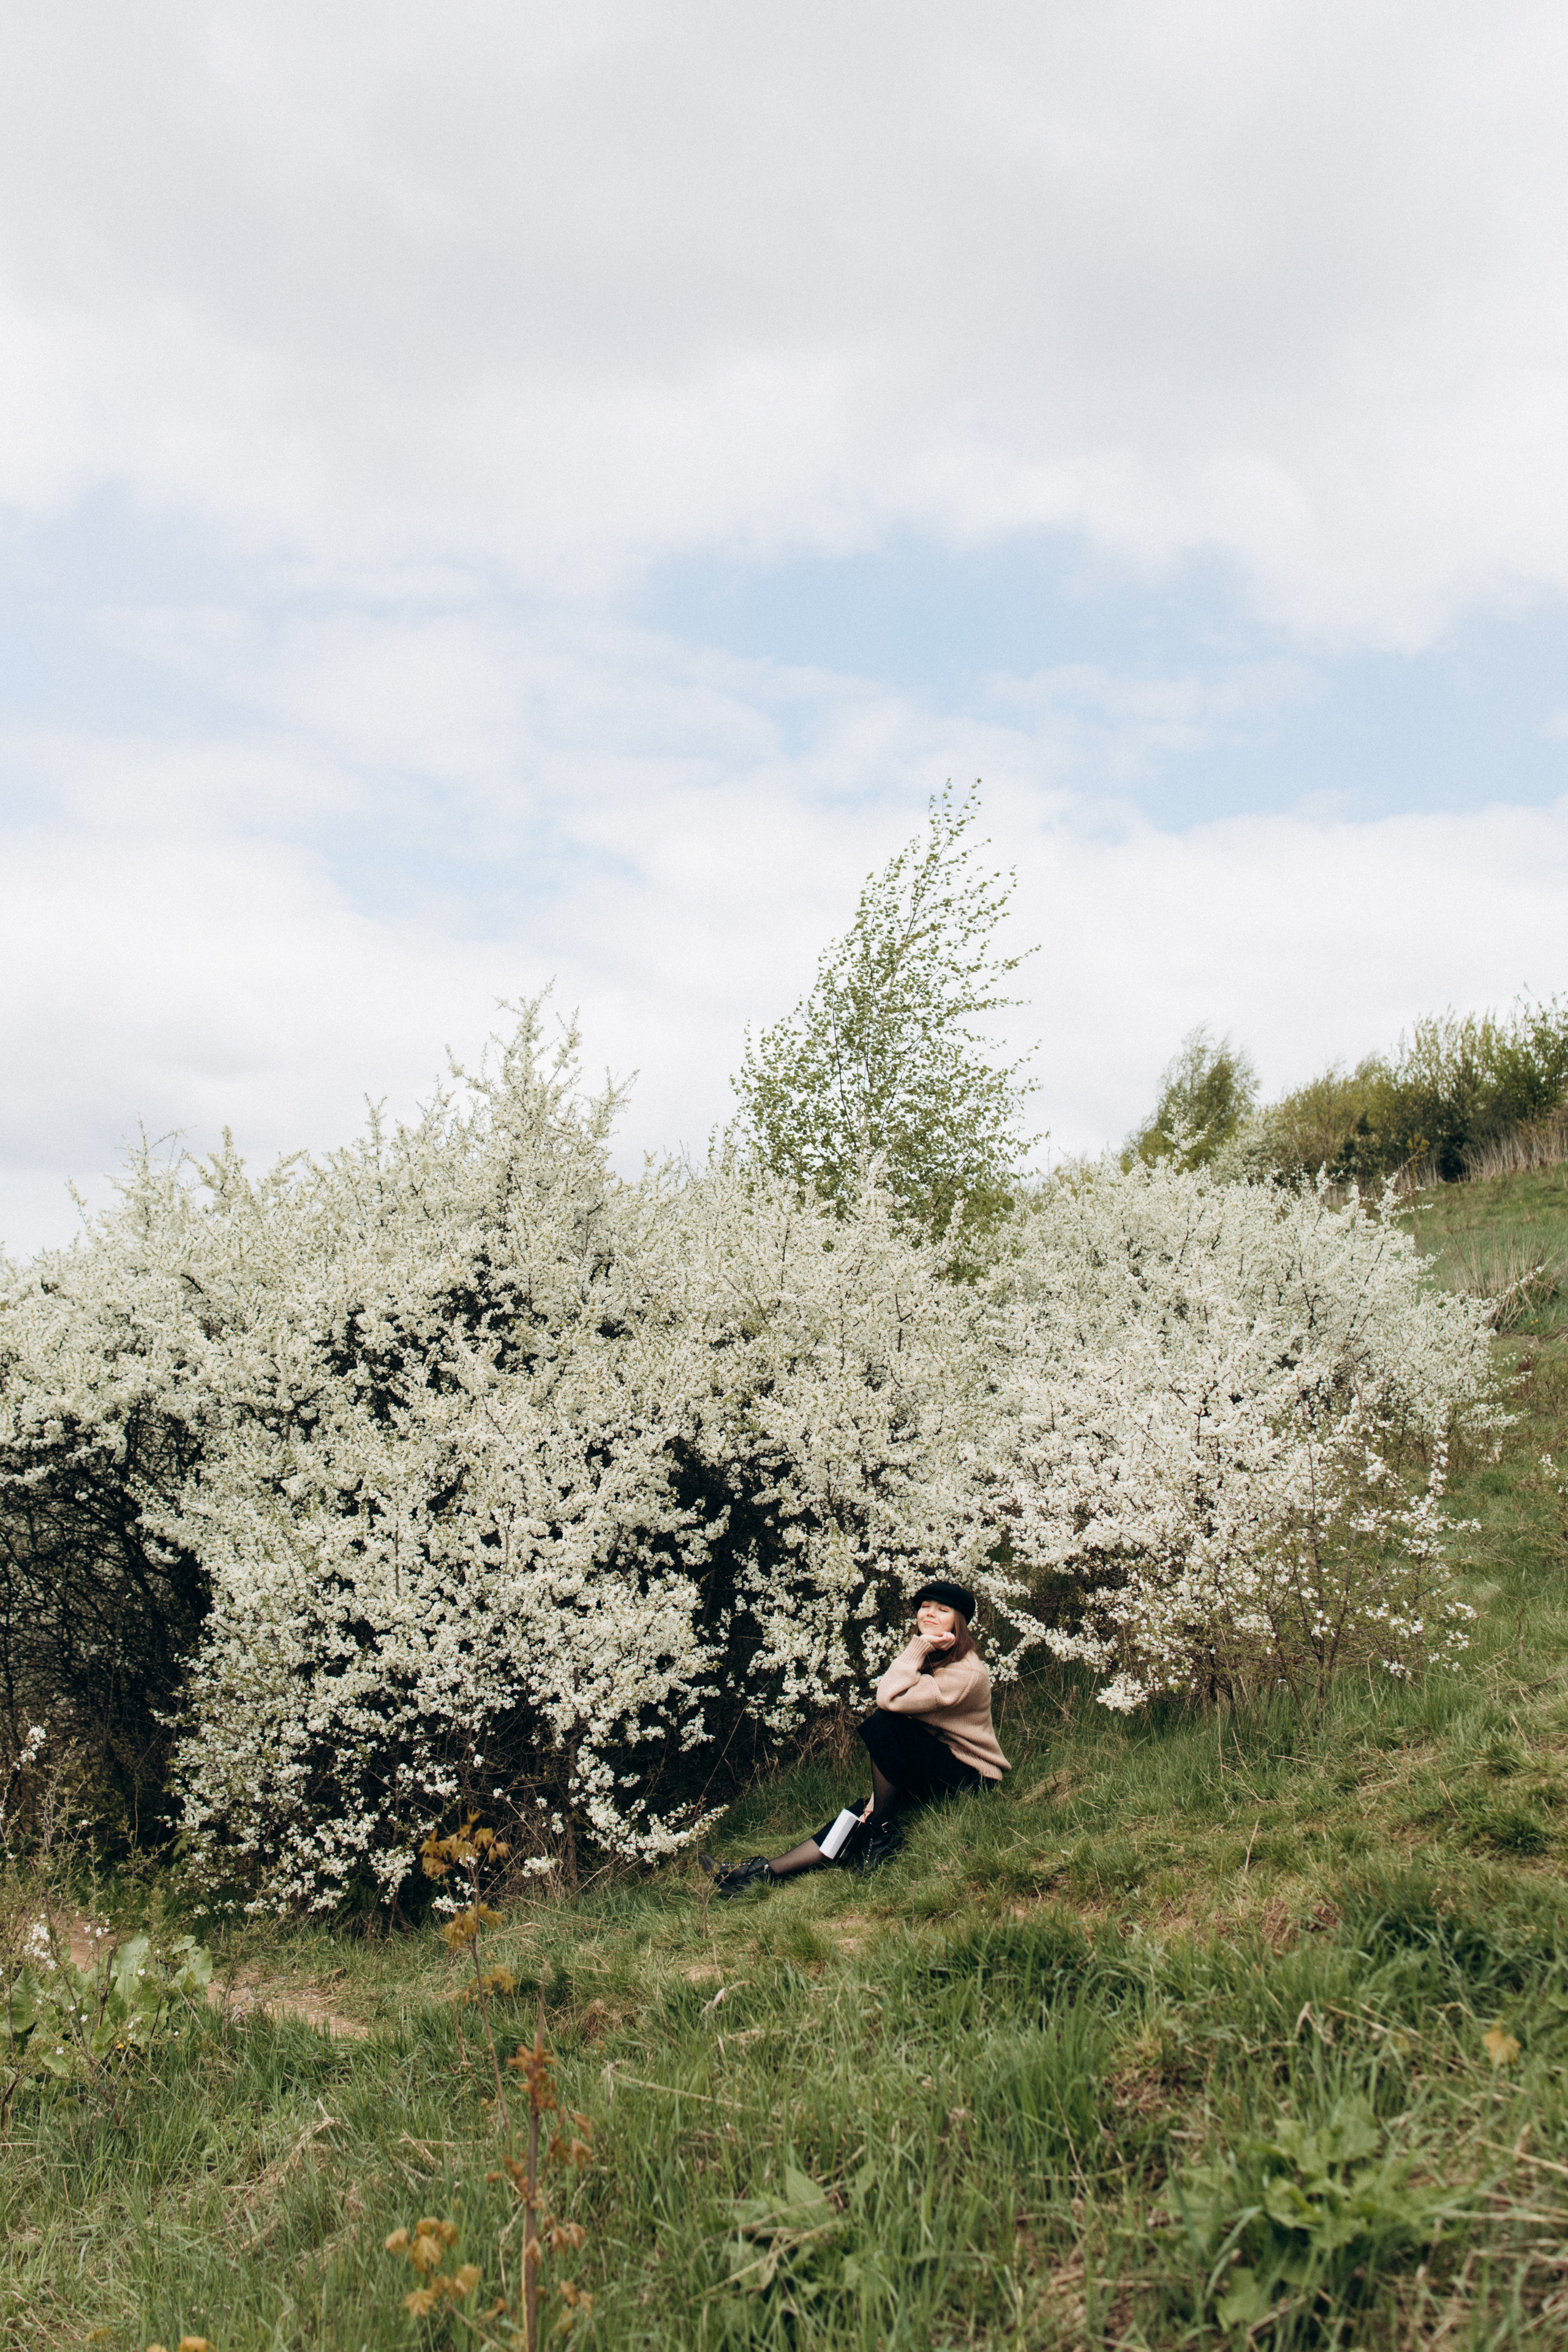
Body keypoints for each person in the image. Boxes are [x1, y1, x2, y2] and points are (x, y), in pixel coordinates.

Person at [701, 1580, 1009, 1896]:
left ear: (958, 1624)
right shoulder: (935, 1656)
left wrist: (917, 1646)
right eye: (925, 1606)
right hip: (939, 1763)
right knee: (858, 1814)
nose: (929, 1614)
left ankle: (882, 1832)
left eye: (943, 1611)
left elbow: (889, 1700)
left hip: (971, 1775)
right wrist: (874, 1806)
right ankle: (760, 1874)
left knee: (884, 1723)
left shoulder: (964, 1673)